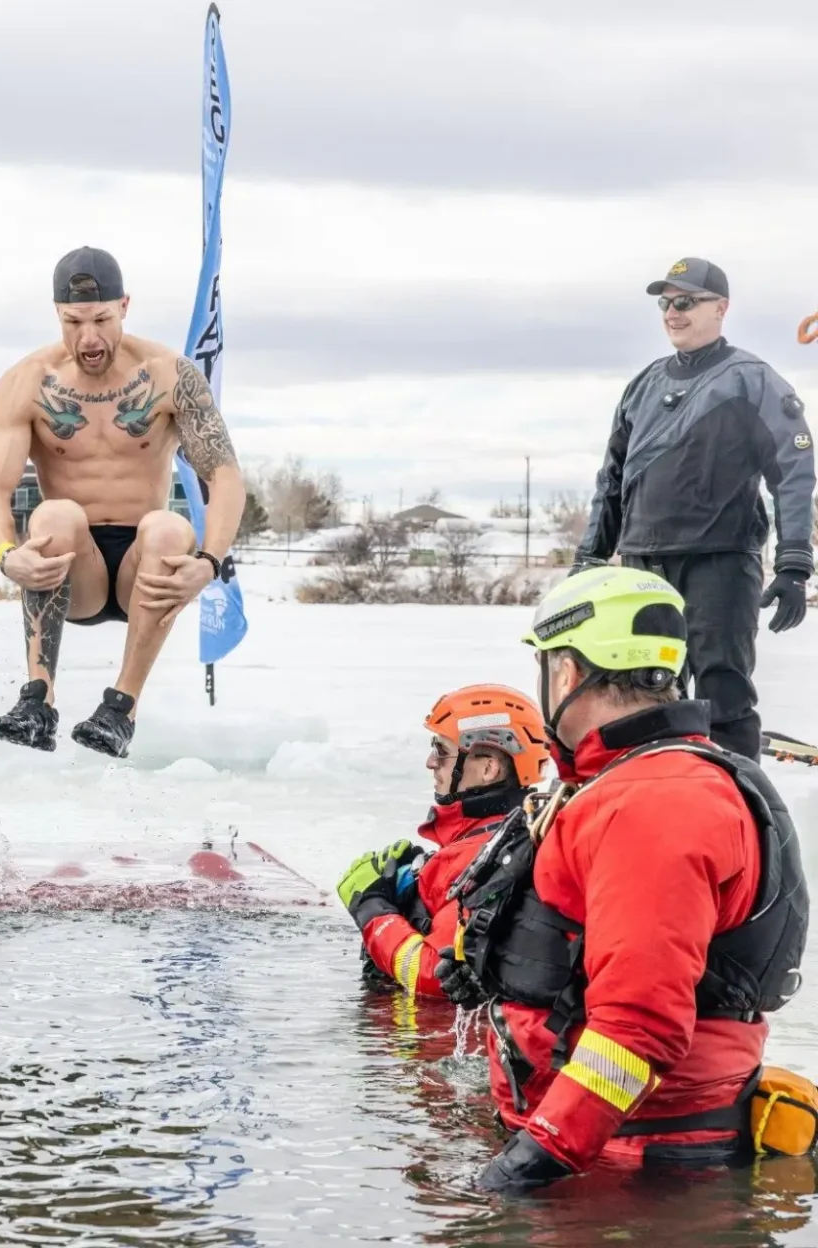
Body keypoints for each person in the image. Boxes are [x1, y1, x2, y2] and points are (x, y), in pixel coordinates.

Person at [439, 567, 809, 1192]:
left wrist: (527, 1166)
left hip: (631, 1170)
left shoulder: (651, 801)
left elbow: (637, 1029)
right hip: (618, 1151)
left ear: (568, 672)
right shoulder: (635, 784)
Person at [0, 246, 247, 759]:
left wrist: (210, 564)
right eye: (73, 321)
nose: (89, 337)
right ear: (57, 314)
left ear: (124, 305)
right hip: (74, 567)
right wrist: (7, 555)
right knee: (54, 514)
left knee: (169, 527)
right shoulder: (28, 381)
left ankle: (120, 709)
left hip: (142, 569)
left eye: (100, 318)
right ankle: (38, 700)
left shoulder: (168, 374)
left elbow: (226, 476)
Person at [573, 256, 816, 759]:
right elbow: (612, 478)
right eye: (665, 303)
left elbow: (794, 470)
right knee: (636, 698)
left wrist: (794, 564)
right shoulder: (644, 385)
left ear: (720, 308)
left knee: (720, 695)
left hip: (719, 564)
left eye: (685, 301)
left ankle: (736, 814)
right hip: (642, 567)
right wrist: (590, 558)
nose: (672, 313)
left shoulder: (751, 379)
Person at [337, 685, 550, 1000]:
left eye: (441, 750)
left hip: (433, 1044)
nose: (430, 762)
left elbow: (434, 975)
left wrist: (371, 910)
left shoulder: (481, 859)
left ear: (488, 768)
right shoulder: (511, 837)